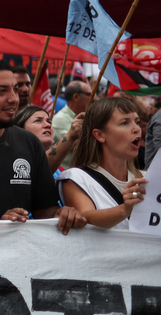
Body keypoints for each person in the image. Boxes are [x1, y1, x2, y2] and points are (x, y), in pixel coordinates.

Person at [0, 58, 85, 232]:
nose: (13, 99)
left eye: (15, 89)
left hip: (19, 254)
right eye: (1, 91)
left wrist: (63, 214)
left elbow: (44, 209)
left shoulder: (28, 142)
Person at [58, 96, 147, 229]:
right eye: (124, 123)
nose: (136, 129)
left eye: (137, 122)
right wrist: (125, 209)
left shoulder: (146, 179)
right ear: (99, 135)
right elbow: (87, 217)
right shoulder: (75, 178)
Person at [13, 105, 82, 172]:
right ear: (20, 129)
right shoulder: (15, 163)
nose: (48, 125)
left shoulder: (60, 170)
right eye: (37, 121)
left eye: (49, 122)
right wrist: (70, 135)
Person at [51, 80, 91, 169]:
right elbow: (78, 146)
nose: (93, 98)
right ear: (76, 96)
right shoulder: (60, 119)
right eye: (89, 94)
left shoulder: (89, 116)